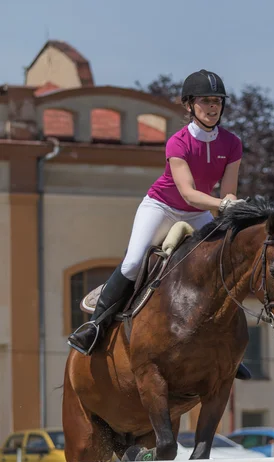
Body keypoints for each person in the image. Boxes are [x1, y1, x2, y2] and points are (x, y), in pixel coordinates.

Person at [67, 69, 251, 380]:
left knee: (221, 266)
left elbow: (228, 189)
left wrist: (229, 206)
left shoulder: (232, 143)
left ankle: (225, 345)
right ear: (189, 105)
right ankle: (94, 327)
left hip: (198, 212)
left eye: (217, 101)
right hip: (162, 207)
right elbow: (188, 192)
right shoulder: (177, 143)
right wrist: (222, 204)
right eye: (206, 101)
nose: (213, 106)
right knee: (134, 261)